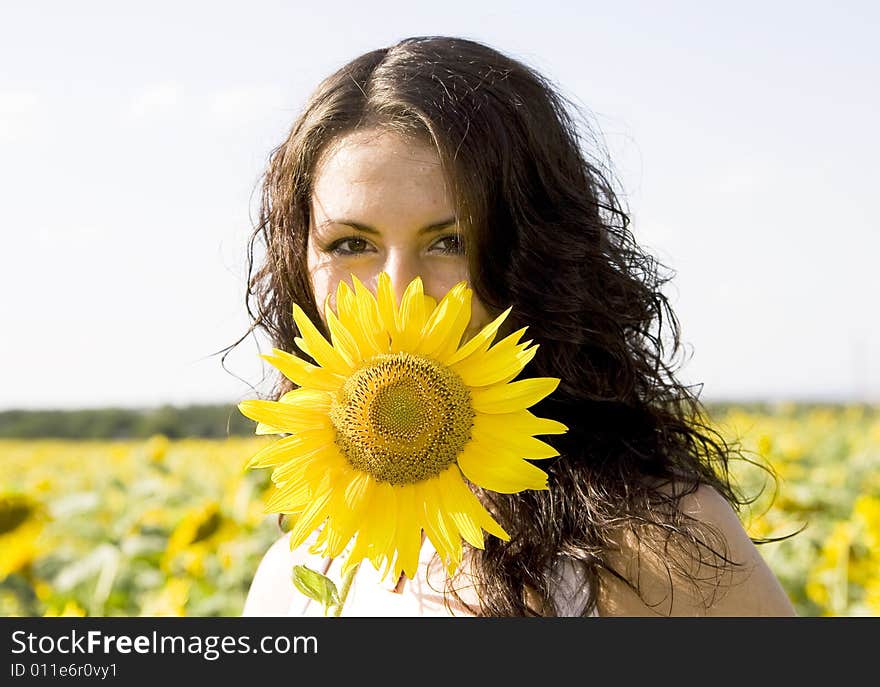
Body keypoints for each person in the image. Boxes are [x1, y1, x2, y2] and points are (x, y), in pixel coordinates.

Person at [234, 35, 797, 617]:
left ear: (535, 254)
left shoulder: (656, 549)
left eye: (450, 242)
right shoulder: (296, 578)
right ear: (299, 261)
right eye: (352, 244)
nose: (400, 291)